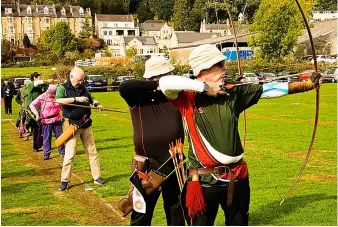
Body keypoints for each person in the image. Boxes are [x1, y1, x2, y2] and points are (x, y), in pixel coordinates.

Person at [158, 44, 322, 226]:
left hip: (237, 179)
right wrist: (205, 87)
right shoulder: (187, 98)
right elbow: (165, 83)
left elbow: (267, 90)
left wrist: (307, 85)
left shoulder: (232, 93)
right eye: (219, 65)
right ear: (203, 69)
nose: (224, 68)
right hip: (204, 181)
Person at [119, 56, 186, 226]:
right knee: (140, 215)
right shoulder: (136, 97)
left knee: (176, 211)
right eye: (167, 75)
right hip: (146, 165)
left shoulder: (175, 94)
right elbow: (124, 86)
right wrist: (157, 84)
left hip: (175, 162)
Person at [56, 66, 106, 191]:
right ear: (71, 77)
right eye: (79, 80)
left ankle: (97, 177)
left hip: (86, 125)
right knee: (70, 155)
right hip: (72, 126)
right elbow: (58, 101)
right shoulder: (62, 88)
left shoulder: (83, 87)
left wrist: (96, 104)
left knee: (92, 152)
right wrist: (75, 99)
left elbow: (91, 97)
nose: (81, 82)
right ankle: (65, 181)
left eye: (82, 80)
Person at [29, 85, 65, 160]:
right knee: (46, 137)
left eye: (55, 94)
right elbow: (32, 104)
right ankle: (46, 153)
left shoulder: (57, 96)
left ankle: (62, 151)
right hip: (46, 120)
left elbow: (61, 106)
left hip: (57, 119)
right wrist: (36, 114)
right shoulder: (42, 97)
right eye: (52, 94)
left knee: (60, 136)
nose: (54, 95)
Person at [26, 72, 54, 152]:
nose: (39, 78)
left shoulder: (43, 86)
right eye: (38, 76)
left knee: (44, 129)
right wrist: (47, 81)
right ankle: (35, 146)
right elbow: (37, 83)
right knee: (36, 129)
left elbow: (50, 89)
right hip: (34, 111)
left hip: (43, 111)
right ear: (34, 78)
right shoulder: (31, 85)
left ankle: (43, 145)